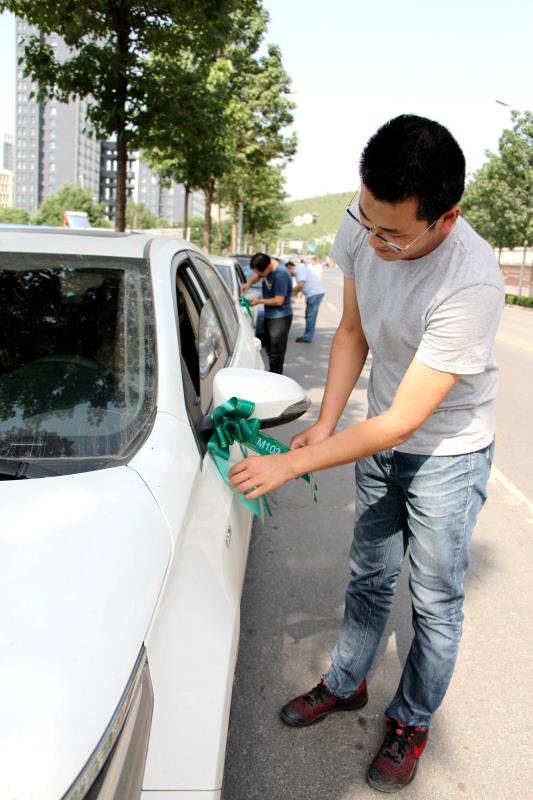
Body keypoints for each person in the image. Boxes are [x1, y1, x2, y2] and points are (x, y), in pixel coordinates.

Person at [229, 115, 504, 792]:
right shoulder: (364, 222)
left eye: (393, 235)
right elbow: (350, 330)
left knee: (434, 599)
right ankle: (346, 681)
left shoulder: (471, 282)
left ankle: (411, 719)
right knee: (368, 574)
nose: (373, 242)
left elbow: (404, 421)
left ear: (445, 219)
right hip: (380, 437)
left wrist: (292, 463)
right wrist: (326, 422)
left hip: (447, 452)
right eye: (366, 222)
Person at [242, 252, 293, 374]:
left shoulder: (281, 275)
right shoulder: (266, 267)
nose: (258, 276)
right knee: (270, 348)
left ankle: (276, 376)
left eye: (261, 273)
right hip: (270, 315)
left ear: (268, 267)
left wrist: (259, 301)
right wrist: (248, 284)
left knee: (276, 352)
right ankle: (273, 372)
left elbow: (279, 300)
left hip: (280, 317)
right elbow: (257, 275)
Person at [287, 258, 325, 343]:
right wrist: (289, 296)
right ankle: (308, 335)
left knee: (310, 316)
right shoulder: (299, 272)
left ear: (290, 268)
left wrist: (288, 294)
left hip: (314, 294)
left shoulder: (300, 270)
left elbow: (300, 285)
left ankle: (308, 337)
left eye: (287, 272)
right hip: (314, 294)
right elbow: (298, 290)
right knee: (309, 315)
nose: (288, 275)